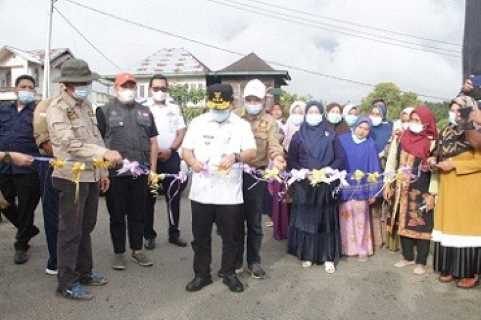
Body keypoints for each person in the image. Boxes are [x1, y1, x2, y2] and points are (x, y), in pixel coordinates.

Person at [47, 59, 122, 300]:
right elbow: (70, 143)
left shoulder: (85, 105)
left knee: (86, 228)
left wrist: (103, 171)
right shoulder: (57, 108)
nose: (86, 86)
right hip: (70, 178)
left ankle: (84, 271)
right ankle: (66, 282)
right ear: (68, 84)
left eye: (87, 82)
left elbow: (96, 138)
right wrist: (103, 155)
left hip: (90, 175)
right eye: (82, 83)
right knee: (70, 231)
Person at [182, 83, 256, 293]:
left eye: (222, 107)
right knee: (200, 237)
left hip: (229, 193)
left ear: (231, 104)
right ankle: (201, 274)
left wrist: (236, 156)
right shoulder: (198, 122)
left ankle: (229, 272)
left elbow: (252, 152)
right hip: (202, 192)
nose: (218, 111)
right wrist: (192, 161)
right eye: (215, 107)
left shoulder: (241, 125)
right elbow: (186, 151)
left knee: (231, 237)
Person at [97, 73, 158, 270]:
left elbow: (153, 142)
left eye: (132, 86)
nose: (129, 89)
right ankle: (119, 253)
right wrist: (103, 172)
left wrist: (153, 171)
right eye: (125, 86)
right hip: (116, 174)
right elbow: (98, 144)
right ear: (116, 88)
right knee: (116, 214)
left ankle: (137, 250)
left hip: (140, 173)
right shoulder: (104, 111)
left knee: (138, 213)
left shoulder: (145, 112)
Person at [235, 79, 286, 279]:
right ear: (244, 99)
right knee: (234, 219)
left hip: (256, 175)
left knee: (254, 221)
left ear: (264, 101)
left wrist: (279, 158)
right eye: (249, 99)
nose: (253, 102)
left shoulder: (270, 122)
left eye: (257, 99)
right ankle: (236, 260)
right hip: (234, 173)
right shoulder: (234, 117)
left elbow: (274, 145)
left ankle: (254, 261)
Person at [287, 101, 345, 273]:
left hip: (325, 184)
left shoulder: (331, 134)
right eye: (310, 112)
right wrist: (304, 172)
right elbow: (291, 160)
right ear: (306, 115)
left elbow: (340, 158)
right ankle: (307, 254)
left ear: (321, 114)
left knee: (325, 221)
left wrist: (327, 170)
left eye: (316, 112)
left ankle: (328, 257)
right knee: (306, 220)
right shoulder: (298, 135)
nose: (313, 115)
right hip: (305, 184)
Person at [432, 97, 481, 289]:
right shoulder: (446, 131)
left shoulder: (476, 132)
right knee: (450, 230)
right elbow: (438, 153)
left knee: (467, 231)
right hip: (448, 187)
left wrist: (454, 164)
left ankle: (470, 272)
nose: (455, 113)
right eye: (452, 109)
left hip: (469, 189)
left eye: (460, 109)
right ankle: (451, 268)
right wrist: (433, 161)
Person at [384, 106, 437, 275]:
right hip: (401, 188)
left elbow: (435, 169)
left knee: (421, 223)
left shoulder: (433, 143)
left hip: (422, 189)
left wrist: (434, 193)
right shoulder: (402, 138)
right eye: (412, 120)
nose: (414, 124)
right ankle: (407, 257)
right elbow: (392, 162)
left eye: (418, 121)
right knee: (403, 221)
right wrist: (389, 183)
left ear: (427, 123)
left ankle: (421, 261)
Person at [0, 75, 41, 265]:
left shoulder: (38, 112)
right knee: (4, 203)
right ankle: (28, 229)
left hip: (28, 168)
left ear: (33, 91)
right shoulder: (3, 110)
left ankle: (21, 244)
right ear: (15, 89)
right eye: (23, 86)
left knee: (26, 208)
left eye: (30, 87)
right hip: (4, 166)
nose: (26, 90)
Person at [143, 74, 187, 250]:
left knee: (174, 197)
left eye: (163, 88)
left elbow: (181, 131)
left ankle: (174, 233)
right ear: (150, 89)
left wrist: (171, 150)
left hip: (171, 157)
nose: (160, 92)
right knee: (149, 197)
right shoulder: (142, 108)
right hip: (149, 159)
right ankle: (148, 235)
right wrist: (152, 152)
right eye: (156, 88)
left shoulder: (174, 108)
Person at [338, 117, 381, 261]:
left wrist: (373, 191)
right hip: (345, 186)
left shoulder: (370, 145)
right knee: (345, 217)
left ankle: (362, 248)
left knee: (361, 218)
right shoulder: (342, 140)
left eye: (366, 129)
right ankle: (347, 248)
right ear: (354, 126)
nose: (362, 131)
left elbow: (375, 168)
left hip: (362, 187)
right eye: (360, 127)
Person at [33, 96, 60, 275]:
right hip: (53, 164)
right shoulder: (46, 105)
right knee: (53, 214)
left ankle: (73, 258)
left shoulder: (84, 106)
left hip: (80, 167)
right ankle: (55, 260)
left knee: (75, 217)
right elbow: (45, 143)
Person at [383, 107, 414, 252]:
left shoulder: (423, 139)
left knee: (412, 214)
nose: (406, 124)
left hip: (415, 185)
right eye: (404, 121)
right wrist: (388, 184)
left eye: (410, 121)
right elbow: (390, 163)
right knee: (395, 212)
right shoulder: (398, 138)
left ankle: (411, 248)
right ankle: (396, 245)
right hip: (397, 182)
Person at [368, 99, 394, 250]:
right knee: (373, 206)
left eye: (378, 113)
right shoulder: (366, 127)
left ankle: (386, 238)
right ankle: (376, 239)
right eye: (373, 113)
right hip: (370, 170)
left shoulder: (389, 127)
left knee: (386, 205)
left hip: (386, 169)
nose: (375, 116)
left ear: (383, 114)